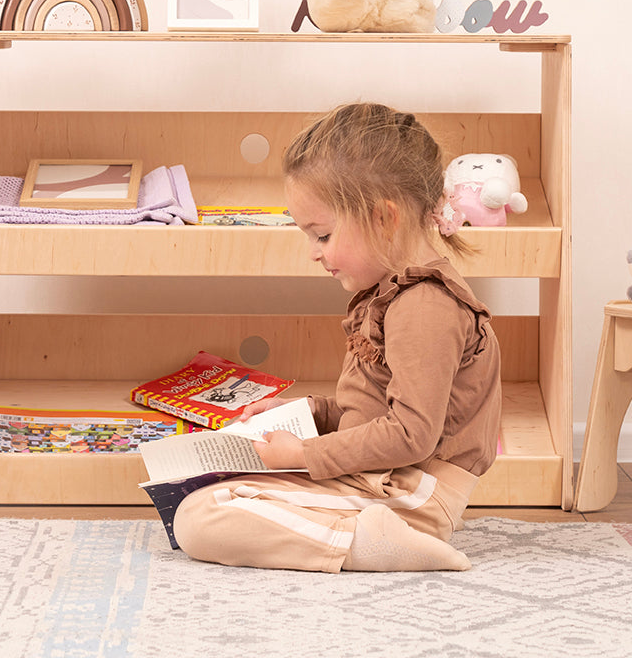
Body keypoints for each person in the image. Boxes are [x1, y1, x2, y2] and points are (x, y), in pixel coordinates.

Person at [173, 102, 502, 572]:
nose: (313, 252)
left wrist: (304, 454)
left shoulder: (425, 305)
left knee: (201, 516)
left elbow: (411, 435)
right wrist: (316, 412)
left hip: (410, 494)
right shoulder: (397, 292)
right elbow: (382, 409)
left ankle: (367, 542)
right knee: (210, 494)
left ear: (384, 218)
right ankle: (362, 533)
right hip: (382, 481)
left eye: (323, 235)